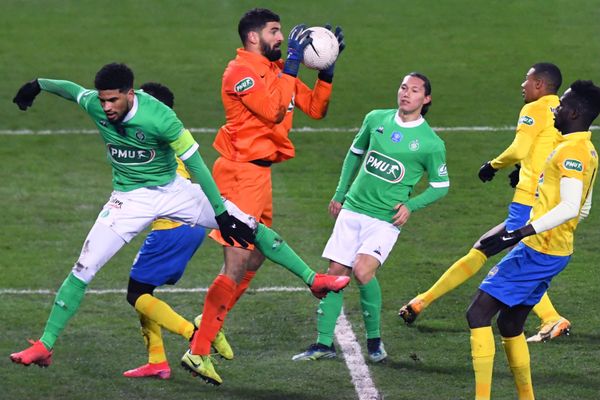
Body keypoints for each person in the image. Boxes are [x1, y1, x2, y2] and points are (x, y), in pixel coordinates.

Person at [8, 63, 349, 374]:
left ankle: (313, 279)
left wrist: (219, 212)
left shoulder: (161, 118)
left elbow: (197, 164)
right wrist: (37, 84)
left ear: (130, 94)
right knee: (83, 268)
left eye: (113, 100)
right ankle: (44, 345)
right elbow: (71, 88)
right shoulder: (96, 104)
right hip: (128, 199)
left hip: (174, 190)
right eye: (103, 100)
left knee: (247, 224)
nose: (107, 107)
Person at [184, 8, 346, 384]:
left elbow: (317, 109)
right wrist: (290, 64)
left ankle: (208, 321)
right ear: (253, 37)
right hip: (239, 174)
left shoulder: (275, 71)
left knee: (254, 259)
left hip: (259, 176)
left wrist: (326, 72)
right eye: (275, 32)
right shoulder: (240, 72)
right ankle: (198, 350)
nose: (282, 37)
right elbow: (274, 111)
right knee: (237, 263)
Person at [399, 63, 571, 342]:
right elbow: (548, 150)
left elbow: (520, 148)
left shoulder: (533, 108)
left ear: (539, 85)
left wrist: (493, 165)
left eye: (526, 81)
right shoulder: (562, 110)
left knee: (509, 258)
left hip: (529, 202)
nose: (522, 85)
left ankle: (552, 318)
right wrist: (525, 169)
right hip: (547, 200)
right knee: (488, 248)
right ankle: (421, 302)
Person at [292, 72, 450, 363]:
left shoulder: (430, 143)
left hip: (384, 219)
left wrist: (410, 206)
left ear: (425, 99)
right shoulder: (376, 119)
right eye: (403, 87)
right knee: (335, 275)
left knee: (363, 271)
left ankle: (375, 341)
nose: (406, 94)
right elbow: (355, 154)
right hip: (353, 208)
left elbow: (441, 186)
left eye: (414, 91)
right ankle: (323, 344)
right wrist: (340, 193)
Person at [466, 80, 599, 400]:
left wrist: (519, 233)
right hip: (554, 249)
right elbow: (583, 207)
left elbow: (569, 207)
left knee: (478, 314)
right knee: (510, 324)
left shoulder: (572, 151)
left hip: (539, 250)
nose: (555, 107)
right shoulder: (585, 148)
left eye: (561, 104)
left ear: (575, 112)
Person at [121, 82, 229, 380]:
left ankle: (195, 335)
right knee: (144, 289)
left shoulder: (146, 135)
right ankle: (157, 360)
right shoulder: (170, 134)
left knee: (136, 293)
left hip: (172, 226)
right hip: (192, 223)